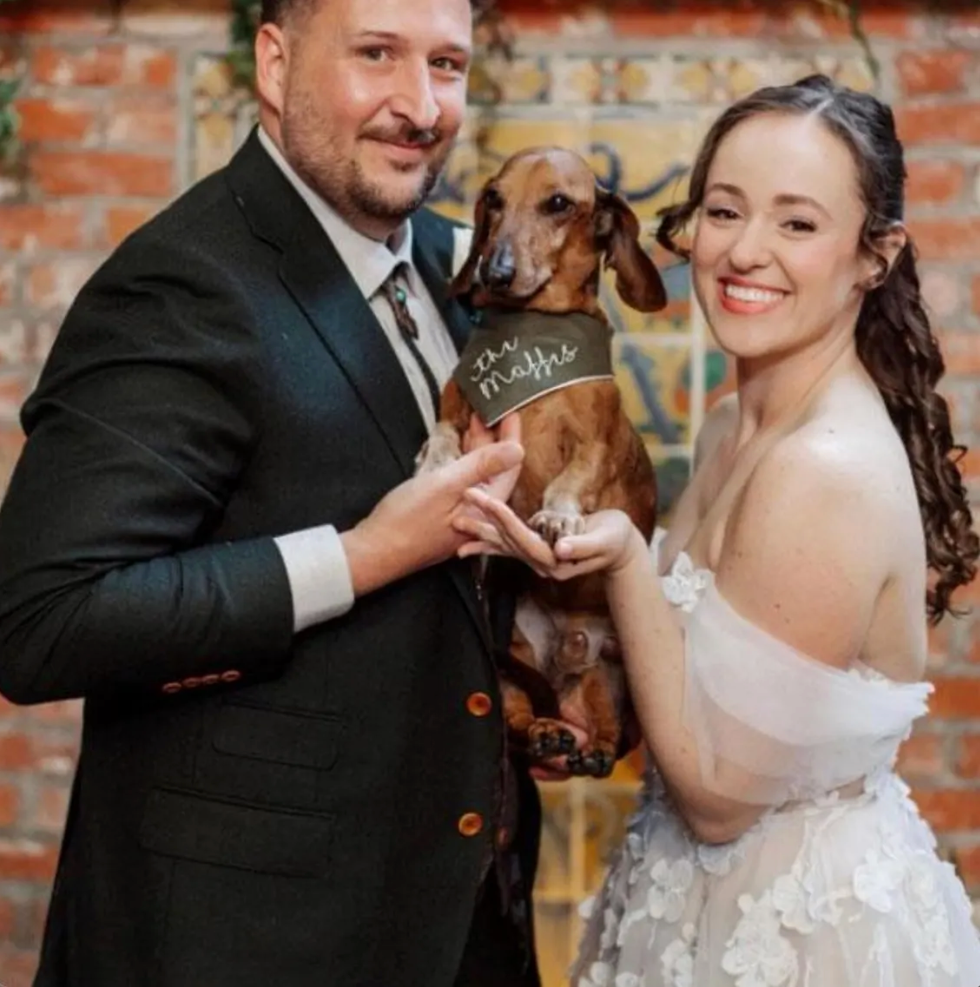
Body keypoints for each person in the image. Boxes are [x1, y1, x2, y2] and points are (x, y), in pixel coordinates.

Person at [0, 0, 551, 984]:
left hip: (455, 925)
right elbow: (42, 621)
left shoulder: (454, 268)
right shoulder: (180, 282)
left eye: (446, 64)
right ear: (275, 61)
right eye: (375, 54)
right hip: (243, 941)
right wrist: (365, 555)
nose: (420, 105)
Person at [456, 75, 980, 986]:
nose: (744, 251)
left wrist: (624, 557)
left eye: (797, 223)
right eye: (727, 210)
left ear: (876, 255)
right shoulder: (729, 424)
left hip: (796, 938)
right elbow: (696, 683)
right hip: (677, 908)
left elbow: (716, 798)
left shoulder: (822, 468)